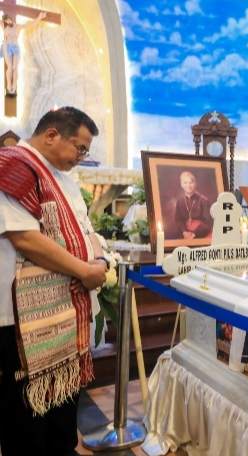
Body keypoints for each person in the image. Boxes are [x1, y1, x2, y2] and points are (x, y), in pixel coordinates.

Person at [0, 107, 108, 455]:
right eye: (80, 148)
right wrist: (84, 271)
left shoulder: (63, 178)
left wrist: (100, 260)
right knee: (28, 422)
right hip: (23, 320)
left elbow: (85, 229)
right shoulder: (14, 164)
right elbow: (25, 238)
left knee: (61, 416)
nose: (82, 157)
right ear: (51, 135)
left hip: (65, 313)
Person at [1, 11, 46, 95]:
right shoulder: (3, 25)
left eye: (8, 20)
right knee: (10, 67)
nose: (7, 22)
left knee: (15, 67)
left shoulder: (18, 26)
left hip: (15, 47)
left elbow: (30, 25)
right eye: (5, 21)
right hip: (6, 47)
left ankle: (14, 85)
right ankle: (9, 85)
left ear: (10, 19)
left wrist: (39, 17)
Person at [173, 170, 212, 240]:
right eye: (185, 183)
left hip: (201, 234)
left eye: (191, 182)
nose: (188, 185)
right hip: (185, 234)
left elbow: (208, 223)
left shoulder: (204, 200)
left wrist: (194, 234)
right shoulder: (180, 201)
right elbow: (178, 220)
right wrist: (184, 232)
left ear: (195, 184)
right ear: (181, 184)